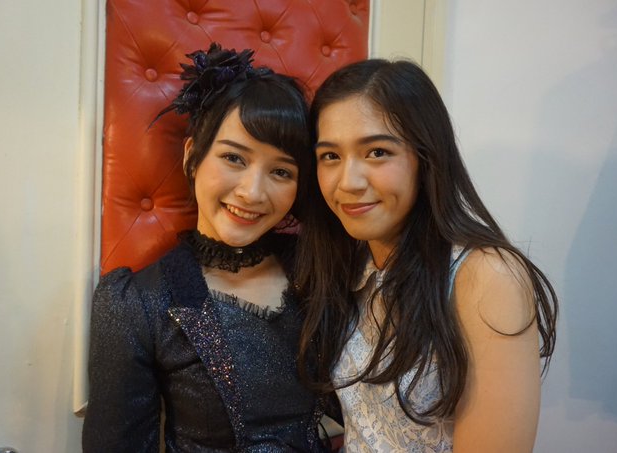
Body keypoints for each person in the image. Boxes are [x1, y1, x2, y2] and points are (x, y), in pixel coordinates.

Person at [295, 59, 558, 452]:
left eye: (377, 152)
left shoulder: (485, 275)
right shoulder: (352, 263)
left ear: (426, 157)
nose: (347, 182)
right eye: (330, 156)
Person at [83, 43, 329, 452]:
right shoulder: (137, 302)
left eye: (281, 172)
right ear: (192, 155)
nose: (252, 192)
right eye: (234, 158)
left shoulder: (317, 268)